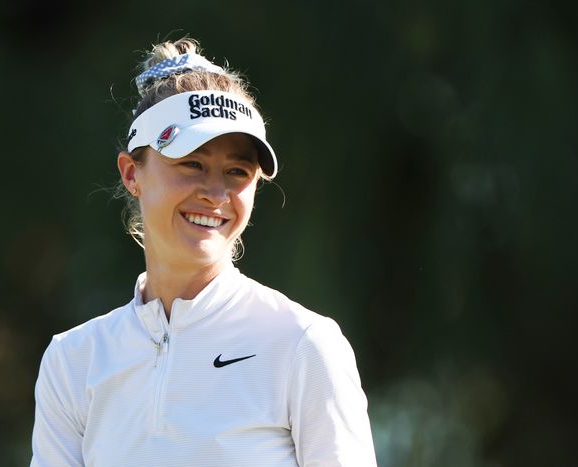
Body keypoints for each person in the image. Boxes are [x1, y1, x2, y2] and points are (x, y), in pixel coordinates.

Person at [30, 37, 377, 467]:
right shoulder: (73, 360)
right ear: (131, 173)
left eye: (237, 171)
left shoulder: (303, 344)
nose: (216, 193)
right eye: (192, 163)